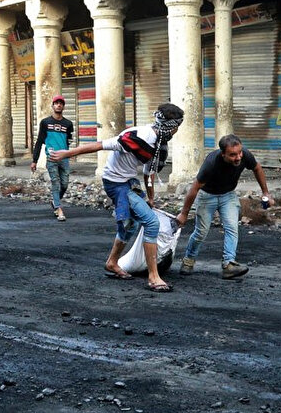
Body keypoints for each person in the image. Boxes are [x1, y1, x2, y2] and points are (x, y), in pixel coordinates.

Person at [51, 103, 185, 293]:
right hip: (115, 184)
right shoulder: (137, 136)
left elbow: (149, 173)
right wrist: (67, 154)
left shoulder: (159, 145)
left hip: (128, 182)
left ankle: (112, 262)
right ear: (171, 127)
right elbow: (99, 145)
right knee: (152, 223)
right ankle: (154, 277)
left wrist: (151, 197)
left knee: (131, 224)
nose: (178, 130)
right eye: (177, 126)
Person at [176, 135, 273, 279]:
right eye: (233, 155)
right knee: (201, 231)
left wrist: (266, 192)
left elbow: (257, 168)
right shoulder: (211, 163)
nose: (238, 157)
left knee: (232, 228)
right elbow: (194, 189)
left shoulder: (245, 155)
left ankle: (229, 264)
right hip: (207, 196)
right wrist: (184, 213)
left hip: (228, 195)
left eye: (239, 153)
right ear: (223, 154)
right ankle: (188, 260)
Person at [31, 94, 74, 221]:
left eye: (61, 103)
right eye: (56, 103)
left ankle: (55, 202)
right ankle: (59, 209)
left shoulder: (68, 124)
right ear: (53, 106)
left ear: (64, 106)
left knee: (64, 184)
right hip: (51, 158)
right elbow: (39, 142)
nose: (59, 105)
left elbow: (69, 141)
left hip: (64, 158)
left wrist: (68, 153)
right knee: (56, 183)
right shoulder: (45, 123)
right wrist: (34, 161)